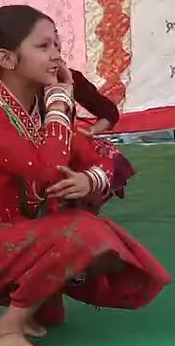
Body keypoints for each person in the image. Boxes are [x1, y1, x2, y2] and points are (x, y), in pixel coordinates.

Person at [0, 5, 172, 346]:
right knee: (87, 233)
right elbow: (48, 170)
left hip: (11, 232)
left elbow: (99, 154)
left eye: (57, 45)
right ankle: (5, 331)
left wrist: (87, 179)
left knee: (64, 278)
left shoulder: (36, 109)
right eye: (44, 46)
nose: (57, 55)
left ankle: (30, 306)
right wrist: (61, 98)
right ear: (7, 58)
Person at [53, 28, 136, 212]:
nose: (52, 51)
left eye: (54, 42)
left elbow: (109, 113)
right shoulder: (18, 87)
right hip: (31, 155)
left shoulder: (70, 78)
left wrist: (89, 133)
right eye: (42, 46)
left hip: (65, 149)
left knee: (104, 152)